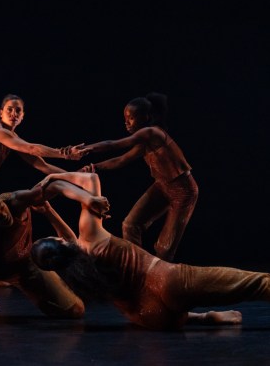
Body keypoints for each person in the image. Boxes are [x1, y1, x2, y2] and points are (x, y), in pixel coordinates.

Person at [30, 171, 270, 331]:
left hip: (153, 318)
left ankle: (204, 317)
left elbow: (70, 245)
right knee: (262, 283)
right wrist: (57, 181)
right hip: (168, 281)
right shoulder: (90, 234)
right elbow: (91, 179)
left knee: (157, 305)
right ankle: (202, 314)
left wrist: (51, 213)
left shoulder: (77, 279)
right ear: (59, 242)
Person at [0, 177, 111, 325]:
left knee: (75, 310)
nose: (3, 215)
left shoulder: (15, 201)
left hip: (23, 265)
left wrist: (87, 198)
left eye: (1, 207)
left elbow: (54, 185)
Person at [79, 92, 197, 262]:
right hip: (162, 185)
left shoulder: (152, 133)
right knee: (130, 224)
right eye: (125, 118)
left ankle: (160, 280)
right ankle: (137, 267)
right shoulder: (145, 141)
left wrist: (87, 149)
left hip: (183, 191)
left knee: (165, 248)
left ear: (146, 117)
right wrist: (94, 167)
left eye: (132, 118)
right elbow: (121, 160)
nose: (127, 122)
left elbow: (114, 144)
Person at [0, 93, 87, 214]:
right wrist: (65, 153)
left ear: (23, 116)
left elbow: (42, 166)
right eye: (9, 110)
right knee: (3, 211)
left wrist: (76, 178)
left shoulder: (13, 139)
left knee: (13, 210)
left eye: (18, 111)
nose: (13, 114)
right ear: (1, 113)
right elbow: (32, 148)